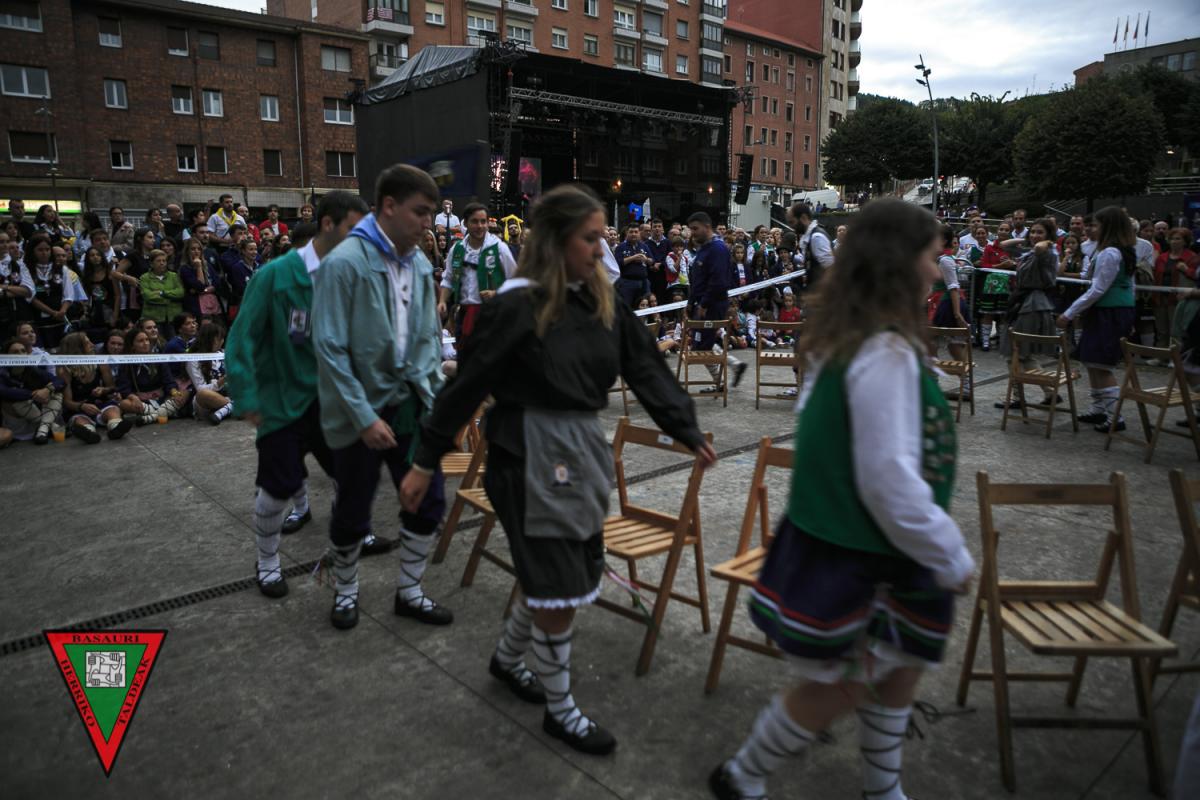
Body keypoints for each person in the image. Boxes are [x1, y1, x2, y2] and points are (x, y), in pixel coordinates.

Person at [400, 183, 716, 756]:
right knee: (557, 579)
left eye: (601, 238)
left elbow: (645, 367)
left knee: (561, 572)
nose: (600, 249)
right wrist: (426, 460)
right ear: (555, 240)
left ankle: (507, 659)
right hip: (525, 456)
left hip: (579, 450)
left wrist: (686, 427)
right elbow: (466, 386)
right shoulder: (514, 306)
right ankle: (560, 709)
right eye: (589, 238)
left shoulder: (601, 302)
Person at [709, 198, 974, 800]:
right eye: (931, 256)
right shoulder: (882, 353)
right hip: (865, 551)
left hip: (869, 544)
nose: (937, 270)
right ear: (900, 262)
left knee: (897, 670)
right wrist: (948, 551)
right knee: (842, 683)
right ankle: (743, 774)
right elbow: (886, 478)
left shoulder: (855, 343)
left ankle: (882, 788)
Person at [312, 166, 450, 630]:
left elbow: (428, 336)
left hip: (410, 404)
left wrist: (432, 394)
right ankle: (346, 591)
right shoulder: (344, 263)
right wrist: (363, 416)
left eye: (431, 214)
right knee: (354, 507)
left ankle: (409, 591)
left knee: (427, 500)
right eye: (420, 212)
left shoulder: (421, 264)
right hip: (360, 410)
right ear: (388, 206)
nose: (428, 223)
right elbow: (329, 348)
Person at [227, 191, 371, 597]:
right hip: (282, 404)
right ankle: (268, 561)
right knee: (276, 492)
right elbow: (240, 339)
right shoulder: (273, 277)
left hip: (333, 403)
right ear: (327, 225)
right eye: (355, 231)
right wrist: (247, 396)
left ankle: (346, 572)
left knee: (352, 482)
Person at [1057, 206, 1138, 433]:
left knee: (1101, 365)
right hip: (1112, 310)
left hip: (1109, 312)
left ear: (1107, 227)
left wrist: (1069, 313)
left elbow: (1098, 289)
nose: (1091, 229)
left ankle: (1114, 416)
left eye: (1097, 225)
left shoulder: (1110, 253)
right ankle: (1099, 409)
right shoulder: (1121, 251)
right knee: (1091, 360)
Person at [996, 218, 1060, 408]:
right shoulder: (1031, 252)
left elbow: (1040, 248)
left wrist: (1047, 241)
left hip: (1032, 304)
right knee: (1022, 353)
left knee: (1014, 351)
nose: (1035, 236)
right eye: (1032, 231)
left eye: (1040, 232)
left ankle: (1018, 397)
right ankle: (1049, 392)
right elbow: (1004, 244)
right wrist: (1026, 239)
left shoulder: (1048, 252)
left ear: (1048, 235)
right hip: (1023, 301)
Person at [438, 203, 517, 346]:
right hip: (463, 315)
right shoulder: (457, 249)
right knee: (464, 355)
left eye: (483, 222)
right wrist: (442, 301)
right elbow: (448, 279)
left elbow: (515, 281)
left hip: (492, 316)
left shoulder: (499, 248)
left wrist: (496, 293)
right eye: (474, 221)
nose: (480, 226)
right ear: (465, 223)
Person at [688, 212, 747, 393]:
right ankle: (734, 366)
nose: (692, 233)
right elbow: (698, 280)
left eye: (695, 228)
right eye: (691, 229)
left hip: (711, 305)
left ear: (707, 227)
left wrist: (704, 304)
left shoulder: (717, 249)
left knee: (701, 346)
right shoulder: (704, 248)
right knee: (701, 343)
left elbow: (718, 282)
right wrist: (690, 303)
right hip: (702, 304)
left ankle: (721, 382)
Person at [56, 332, 131, 442]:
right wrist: (82, 406)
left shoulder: (100, 361)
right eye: (87, 343)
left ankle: (116, 428)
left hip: (100, 403)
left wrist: (104, 390)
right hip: (78, 408)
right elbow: (67, 401)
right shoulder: (65, 370)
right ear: (78, 348)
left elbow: (112, 386)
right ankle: (89, 433)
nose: (92, 345)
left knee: (113, 410)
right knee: (80, 420)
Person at [116, 328, 185, 425]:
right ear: (132, 345)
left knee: (184, 394)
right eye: (140, 341)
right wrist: (134, 398)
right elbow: (124, 388)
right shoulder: (126, 363)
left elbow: (169, 381)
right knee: (124, 404)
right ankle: (165, 412)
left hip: (162, 398)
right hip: (142, 401)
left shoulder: (158, 358)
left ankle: (149, 418)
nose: (145, 343)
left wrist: (174, 392)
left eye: (147, 340)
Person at [0, 337, 63, 444]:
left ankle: (43, 431)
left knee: (55, 392)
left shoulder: (32, 369)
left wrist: (47, 390)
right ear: (6, 356)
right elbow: (4, 391)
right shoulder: (2, 372)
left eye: (23, 351)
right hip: (15, 422)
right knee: (18, 401)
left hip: (36, 416)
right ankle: (49, 426)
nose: (20, 354)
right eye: (15, 352)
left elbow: (60, 381)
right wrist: (34, 394)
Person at [1162, 228, 1200, 345]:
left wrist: (1186, 270)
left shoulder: (1193, 258)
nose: (1174, 241)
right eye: (1172, 239)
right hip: (1163, 297)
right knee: (1165, 330)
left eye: (1178, 239)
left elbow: (1196, 277)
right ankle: (1164, 353)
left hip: (1184, 298)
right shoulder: (1162, 257)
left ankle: (1177, 353)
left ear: (1185, 241)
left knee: (1181, 331)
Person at [139, 249, 185, 338]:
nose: (162, 263)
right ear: (151, 263)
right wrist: (170, 298)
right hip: (154, 319)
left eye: (164, 261)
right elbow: (148, 296)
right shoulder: (144, 278)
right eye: (158, 261)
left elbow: (180, 293)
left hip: (173, 318)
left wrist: (162, 293)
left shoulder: (174, 276)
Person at [790, 202, 834, 291]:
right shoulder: (810, 237)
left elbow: (831, 269)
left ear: (803, 218)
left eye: (792, 222)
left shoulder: (816, 237)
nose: (791, 226)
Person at [612, 224, 653, 308]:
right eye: (631, 232)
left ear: (639, 233)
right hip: (627, 282)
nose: (633, 234)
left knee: (646, 307)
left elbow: (652, 261)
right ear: (627, 233)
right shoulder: (620, 247)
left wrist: (645, 259)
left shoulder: (644, 246)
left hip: (644, 282)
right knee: (627, 307)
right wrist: (633, 258)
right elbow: (618, 262)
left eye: (636, 232)